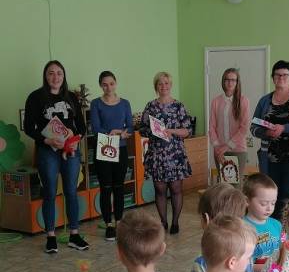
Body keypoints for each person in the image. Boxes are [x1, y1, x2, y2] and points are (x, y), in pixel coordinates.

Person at [24, 60, 88, 253]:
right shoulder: (35, 97)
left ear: (64, 75)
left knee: (71, 192)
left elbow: (81, 126)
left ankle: (74, 235)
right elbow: (29, 127)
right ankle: (50, 237)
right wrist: (47, 141)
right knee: (50, 192)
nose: (55, 77)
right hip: (47, 151)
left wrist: (75, 139)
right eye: (51, 73)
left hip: (70, 151)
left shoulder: (71, 97)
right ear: (45, 76)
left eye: (59, 73)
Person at [250, 60, 289, 218]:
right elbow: (253, 127)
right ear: (273, 78)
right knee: (271, 198)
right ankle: (274, 230)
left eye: (285, 75)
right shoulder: (264, 101)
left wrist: (284, 128)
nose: (281, 78)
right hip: (270, 161)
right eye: (278, 75)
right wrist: (266, 133)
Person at [140, 71, 192, 234]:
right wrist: (154, 131)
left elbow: (187, 131)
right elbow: (142, 129)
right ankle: (163, 222)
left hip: (175, 154)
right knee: (160, 190)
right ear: (156, 86)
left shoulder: (179, 106)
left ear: (170, 85)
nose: (163, 86)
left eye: (166, 83)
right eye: (160, 83)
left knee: (176, 189)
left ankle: (175, 222)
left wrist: (171, 131)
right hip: (157, 154)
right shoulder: (150, 106)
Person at [90, 70, 133, 241]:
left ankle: (119, 222)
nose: (109, 87)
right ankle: (109, 224)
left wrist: (121, 133)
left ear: (116, 83)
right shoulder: (96, 104)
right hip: (104, 149)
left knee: (119, 187)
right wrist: (113, 133)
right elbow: (96, 128)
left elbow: (130, 126)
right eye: (105, 84)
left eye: (111, 83)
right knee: (106, 188)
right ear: (101, 86)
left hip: (121, 149)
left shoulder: (125, 103)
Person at [209, 68, 250, 185]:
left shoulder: (243, 100)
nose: (230, 82)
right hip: (219, 151)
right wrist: (217, 147)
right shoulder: (216, 101)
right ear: (223, 81)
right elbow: (212, 127)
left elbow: (244, 128)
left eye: (233, 80)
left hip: (237, 150)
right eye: (227, 79)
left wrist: (227, 146)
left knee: (235, 188)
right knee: (224, 186)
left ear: (237, 82)